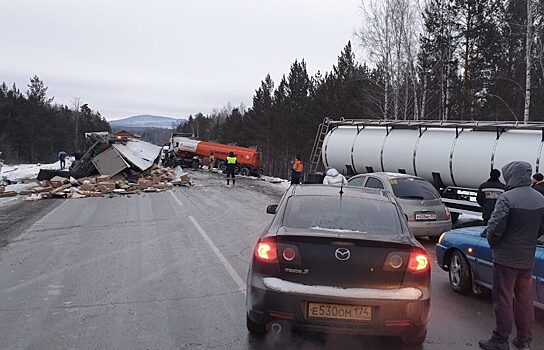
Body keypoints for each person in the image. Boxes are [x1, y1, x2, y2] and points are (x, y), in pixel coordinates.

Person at [479, 161, 544, 350]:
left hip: (505, 258)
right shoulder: (540, 199)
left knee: (504, 299)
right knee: (525, 300)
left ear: (511, 176)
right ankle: (524, 341)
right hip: (526, 258)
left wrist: (493, 242)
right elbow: (542, 227)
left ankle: (500, 339)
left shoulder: (507, 198)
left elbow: (495, 227)